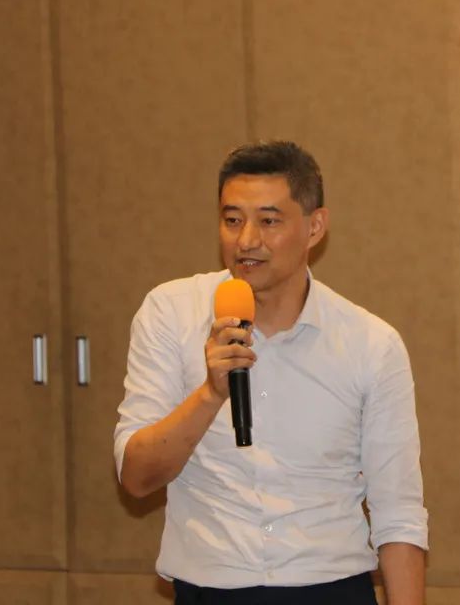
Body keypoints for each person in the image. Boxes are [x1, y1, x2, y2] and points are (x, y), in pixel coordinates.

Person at [114, 141, 428, 605]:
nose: (246, 241)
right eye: (232, 220)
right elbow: (137, 477)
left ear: (314, 227)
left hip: (330, 591)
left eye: (268, 221)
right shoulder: (170, 314)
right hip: (210, 591)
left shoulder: (370, 344)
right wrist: (209, 394)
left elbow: (398, 513)